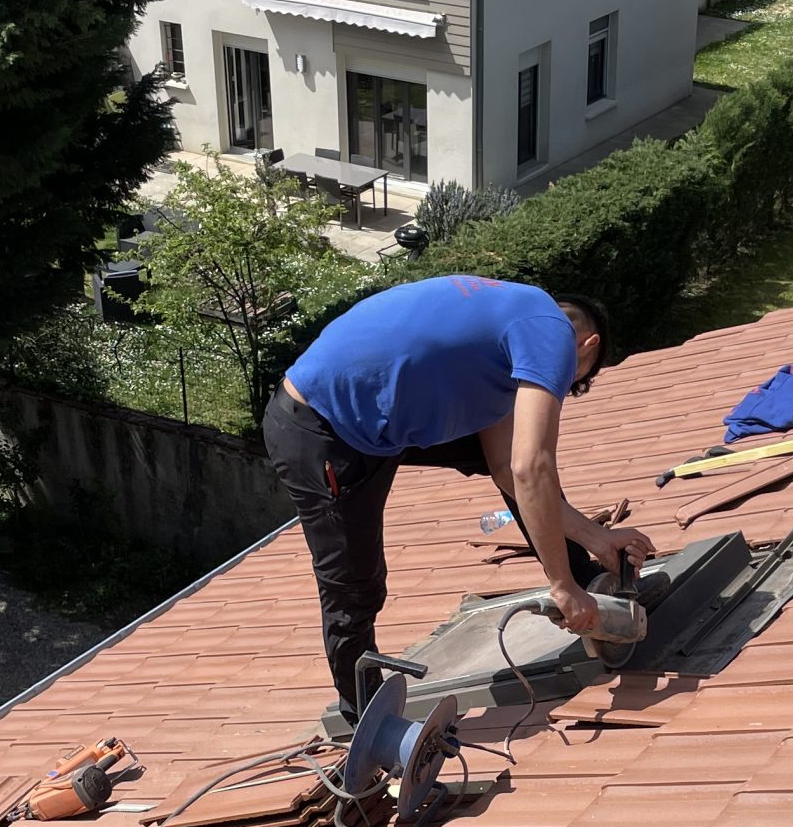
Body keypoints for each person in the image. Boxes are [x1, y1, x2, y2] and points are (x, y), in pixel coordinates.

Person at [264, 273, 653, 722]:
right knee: (354, 585)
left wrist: (596, 539)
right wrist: (559, 587)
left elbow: (508, 466)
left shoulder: (509, 322)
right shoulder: (553, 333)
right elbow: (531, 468)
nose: (561, 388)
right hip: (321, 429)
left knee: (523, 467)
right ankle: (367, 726)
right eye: (574, 381)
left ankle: (587, 576)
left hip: (373, 416)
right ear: (586, 345)